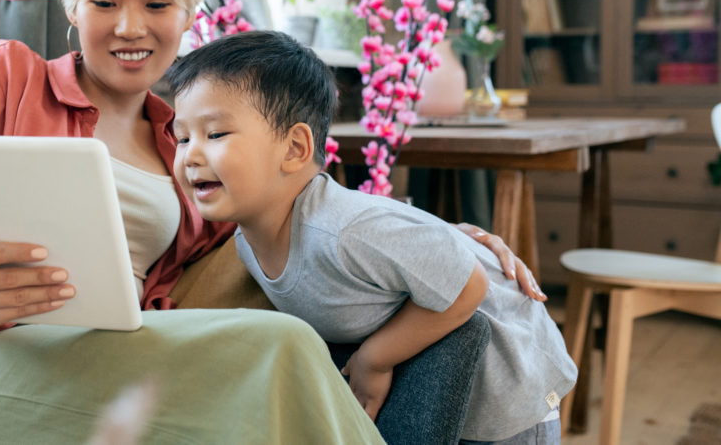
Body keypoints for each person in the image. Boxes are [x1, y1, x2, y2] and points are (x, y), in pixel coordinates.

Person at [0, 0, 539, 444]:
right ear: (72, 3)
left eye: (156, 2)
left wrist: (436, 238)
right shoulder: (2, 77)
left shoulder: (187, 144)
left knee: (280, 352)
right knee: (282, 349)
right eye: (103, 0)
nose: (130, 26)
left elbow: (301, 214)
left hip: (120, 367)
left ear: (187, 12)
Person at [168, 30, 578, 444]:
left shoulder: (344, 230)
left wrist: (374, 360)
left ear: (294, 148)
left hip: (510, 393)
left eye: (215, 134)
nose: (191, 154)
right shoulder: (249, 243)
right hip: (437, 395)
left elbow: (469, 285)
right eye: (182, 137)